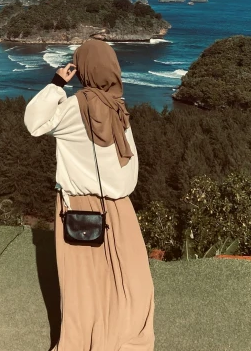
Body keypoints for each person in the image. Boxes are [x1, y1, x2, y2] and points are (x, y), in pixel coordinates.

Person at [24, 38, 154, 351]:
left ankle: (86, 338)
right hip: (119, 207)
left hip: (78, 207)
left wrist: (57, 83)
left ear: (83, 70)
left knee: (83, 281)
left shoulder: (72, 107)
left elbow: (33, 122)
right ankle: (123, 335)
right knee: (127, 278)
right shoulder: (117, 107)